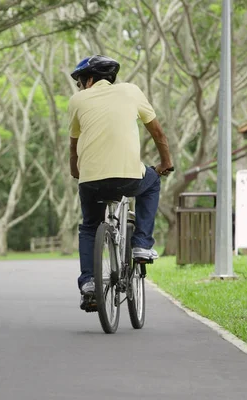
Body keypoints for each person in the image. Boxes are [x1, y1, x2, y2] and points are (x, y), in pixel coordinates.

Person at [67, 55, 173, 312]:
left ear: (89, 79)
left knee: (90, 227)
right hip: (129, 177)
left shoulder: (77, 100)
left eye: (81, 82)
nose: (81, 87)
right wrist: (165, 163)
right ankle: (141, 245)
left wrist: (76, 172)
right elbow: (157, 132)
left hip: (90, 180)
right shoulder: (131, 91)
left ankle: (89, 283)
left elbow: (73, 146)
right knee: (152, 182)